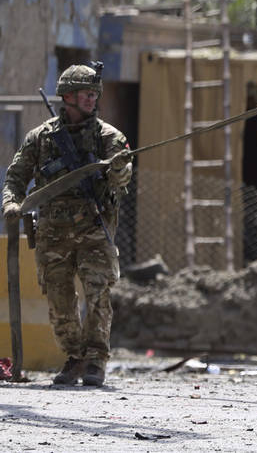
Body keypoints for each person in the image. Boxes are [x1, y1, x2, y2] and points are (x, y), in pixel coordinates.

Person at [2, 64, 132, 387]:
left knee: (98, 292)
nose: (92, 100)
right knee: (59, 299)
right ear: (68, 97)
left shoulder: (109, 138)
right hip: (52, 233)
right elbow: (15, 177)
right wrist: (11, 204)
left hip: (93, 230)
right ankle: (74, 358)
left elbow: (123, 177)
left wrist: (117, 169)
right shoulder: (41, 138)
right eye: (86, 94)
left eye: (94, 94)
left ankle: (96, 361)